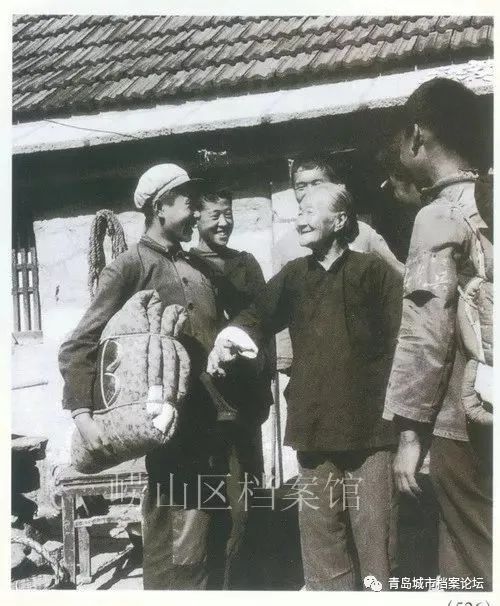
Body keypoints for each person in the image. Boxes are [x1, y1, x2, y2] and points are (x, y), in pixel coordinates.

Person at [207, 182, 402, 590]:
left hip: (370, 431)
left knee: (376, 546)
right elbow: (257, 315)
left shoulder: (374, 272)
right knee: (321, 545)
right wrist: (230, 338)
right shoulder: (294, 275)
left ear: (340, 220)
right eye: (299, 211)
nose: (300, 219)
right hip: (313, 427)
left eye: (310, 211)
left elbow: (403, 342)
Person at [59, 164, 239, 590]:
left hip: (212, 421)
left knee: (212, 535)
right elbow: (79, 344)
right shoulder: (129, 267)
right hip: (170, 428)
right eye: (189, 204)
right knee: (177, 541)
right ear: (160, 207)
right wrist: (83, 416)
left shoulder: (196, 267)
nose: (196, 214)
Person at [383, 78, 492, 589]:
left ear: (416, 136)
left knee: (471, 557)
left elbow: (425, 333)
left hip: (463, 417)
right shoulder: (486, 202)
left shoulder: (439, 215)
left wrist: (409, 434)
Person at [189, 188, 274, 588]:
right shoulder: (186, 265)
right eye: (214, 215)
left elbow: (266, 322)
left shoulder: (245, 264)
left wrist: (263, 380)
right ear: (196, 217)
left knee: (247, 495)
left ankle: (246, 581)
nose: (224, 222)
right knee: (210, 498)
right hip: (202, 402)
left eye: (229, 213)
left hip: (244, 401)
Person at [273, 155, 404, 372]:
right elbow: (280, 304)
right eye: (301, 186)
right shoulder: (286, 244)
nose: (309, 191)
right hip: (309, 356)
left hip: (360, 354)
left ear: (335, 186)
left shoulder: (363, 234)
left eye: (317, 183)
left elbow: (399, 280)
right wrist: (286, 358)